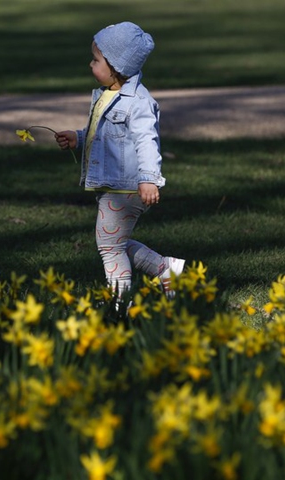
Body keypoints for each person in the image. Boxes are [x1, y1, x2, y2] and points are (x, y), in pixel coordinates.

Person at [55, 21, 184, 299]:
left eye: (96, 59)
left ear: (116, 66)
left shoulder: (138, 101)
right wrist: (79, 137)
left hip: (128, 187)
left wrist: (149, 179)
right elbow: (104, 135)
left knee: (109, 247)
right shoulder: (107, 95)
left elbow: (146, 140)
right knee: (115, 242)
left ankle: (120, 304)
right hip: (114, 185)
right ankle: (166, 268)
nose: (90, 64)